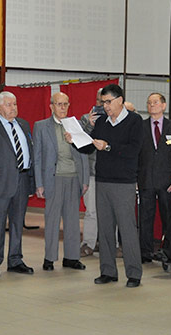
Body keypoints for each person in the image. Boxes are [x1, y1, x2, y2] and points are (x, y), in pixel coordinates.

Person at [75, 84, 144, 288]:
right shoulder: (102, 122)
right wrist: (76, 138)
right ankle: (108, 271)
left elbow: (134, 150)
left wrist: (109, 146)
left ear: (120, 100)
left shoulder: (134, 121)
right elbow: (89, 148)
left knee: (127, 228)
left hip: (123, 182)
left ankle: (134, 273)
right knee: (104, 229)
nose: (105, 106)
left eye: (108, 102)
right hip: (103, 180)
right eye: (103, 102)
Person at [0, 91, 36, 277]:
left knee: (18, 223)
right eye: (9, 104)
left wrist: (32, 183)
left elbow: (30, 154)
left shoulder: (24, 124)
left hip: (22, 180)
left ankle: (15, 260)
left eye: (15, 104)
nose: (14, 108)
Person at [33, 92, 88, 271]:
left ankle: (71, 258)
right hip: (53, 178)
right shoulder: (41, 127)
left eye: (65, 104)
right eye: (59, 104)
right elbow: (38, 156)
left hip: (74, 177)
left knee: (72, 220)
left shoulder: (75, 125)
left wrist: (85, 179)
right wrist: (39, 183)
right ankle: (49, 258)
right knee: (52, 220)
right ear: (51, 106)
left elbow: (84, 152)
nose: (62, 108)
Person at [138, 92, 171, 263]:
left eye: (155, 102)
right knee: (145, 217)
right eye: (149, 103)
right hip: (146, 179)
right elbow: (136, 154)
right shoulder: (141, 127)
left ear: (164, 105)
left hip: (167, 181)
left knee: (168, 217)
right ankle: (145, 252)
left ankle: (169, 251)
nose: (152, 106)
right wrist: (136, 178)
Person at [79, 88, 102, 257]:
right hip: (92, 172)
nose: (101, 104)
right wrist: (89, 125)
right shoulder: (86, 119)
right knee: (91, 211)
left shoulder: (117, 118)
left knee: (112, 211)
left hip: (112, 173)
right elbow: (80, 144)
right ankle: (88, 243)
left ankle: (112, 244)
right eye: (99, 100)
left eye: (106, 100)